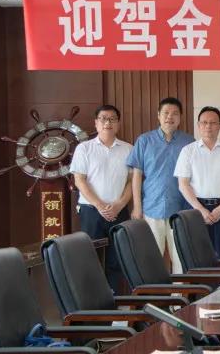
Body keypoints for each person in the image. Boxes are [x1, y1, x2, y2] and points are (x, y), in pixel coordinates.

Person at [127, 97, 195, 272]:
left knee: (181, 257)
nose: (169, 117)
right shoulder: (144, 141)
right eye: (166, 113)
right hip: (151, 207)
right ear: (158, 115)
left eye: (175, 113)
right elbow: (137, 176)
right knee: (152, 258)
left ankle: (180, 291)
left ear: (180, 117)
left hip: (181, 209)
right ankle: (155, 291)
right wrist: (137, 207)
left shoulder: (189, 142)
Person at [70, 104, 132, 292]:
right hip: (91, 212)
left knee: (117, 258)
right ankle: (94, 301)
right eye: (103, 119)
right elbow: (79, 180)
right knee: (92, 257)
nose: (108, 123)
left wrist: (119, 204)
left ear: (118, 123)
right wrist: (99, 205)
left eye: (112, 119)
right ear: (96, 123)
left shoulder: (129, 149)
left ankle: (115, 299)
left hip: (119, 212)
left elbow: (132, 181)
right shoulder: (84, 148)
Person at [174, 106, 220, 260]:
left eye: (213, 122)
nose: (208, 126)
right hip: (194, 209)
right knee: (197, 256)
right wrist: (201, 210)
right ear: (198, 125)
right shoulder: (188, 151)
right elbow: (183, 184)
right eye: (204, 122)